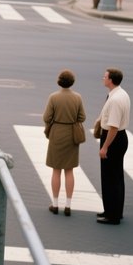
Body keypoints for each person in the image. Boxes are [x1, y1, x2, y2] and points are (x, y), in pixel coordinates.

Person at [42, 69, 86, 216]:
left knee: (56, 169)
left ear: (59, 81)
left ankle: (55, 204)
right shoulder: (77, 97)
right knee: (69, 170)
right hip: (71, 135)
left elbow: (46, 117)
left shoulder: (53, 97)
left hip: (57, 133)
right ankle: (68, 205)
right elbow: (82, 117)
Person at [96, 68, 130, 225]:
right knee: (116, 176)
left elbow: (114, 127)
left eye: (105, 76)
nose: (103, 78)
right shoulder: (120, 94)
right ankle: (113, 209)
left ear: (111, 80)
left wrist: (105, 147)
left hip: (113, 139)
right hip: (119, 138)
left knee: (110, 178)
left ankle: (112, 215)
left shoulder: (115, 99)